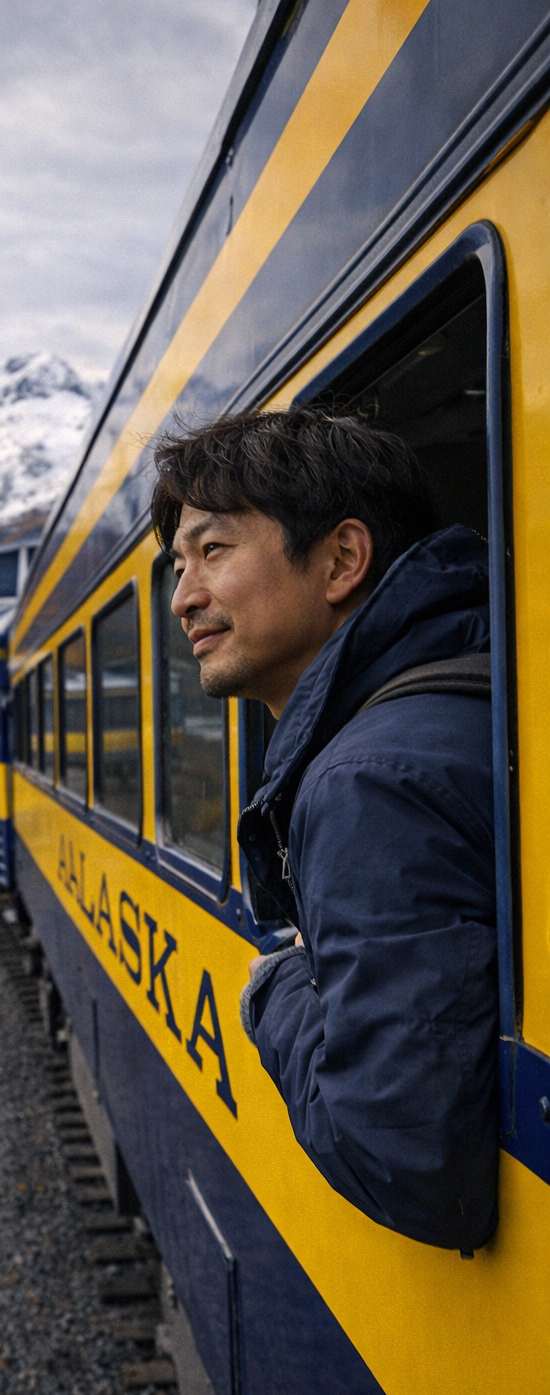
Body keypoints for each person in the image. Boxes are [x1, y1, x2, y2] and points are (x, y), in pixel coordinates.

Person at [151, 407, 498, 1252]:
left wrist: (273, 990)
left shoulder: (366, 783)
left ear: (342, 558)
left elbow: (401, 1158)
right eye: (177, 564)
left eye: (213, 551)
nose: (182, 597)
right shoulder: (476, 684)